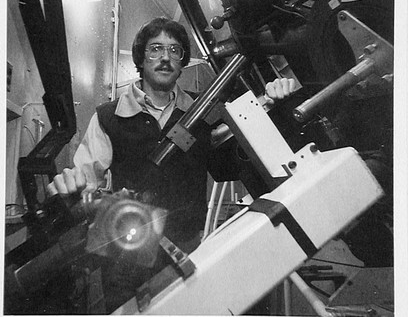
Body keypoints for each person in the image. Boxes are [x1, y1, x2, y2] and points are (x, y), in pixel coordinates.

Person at [47, 17, 295, 311]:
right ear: (141, 58)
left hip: (187, 248)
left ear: (182, 62)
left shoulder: (203, 113)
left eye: (174, 51)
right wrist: (68, 190)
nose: (165, 58)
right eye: (155, 49)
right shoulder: (108, 117)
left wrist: (269, 106)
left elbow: (227, 166)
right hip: (125, 258)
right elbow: (85, 182)